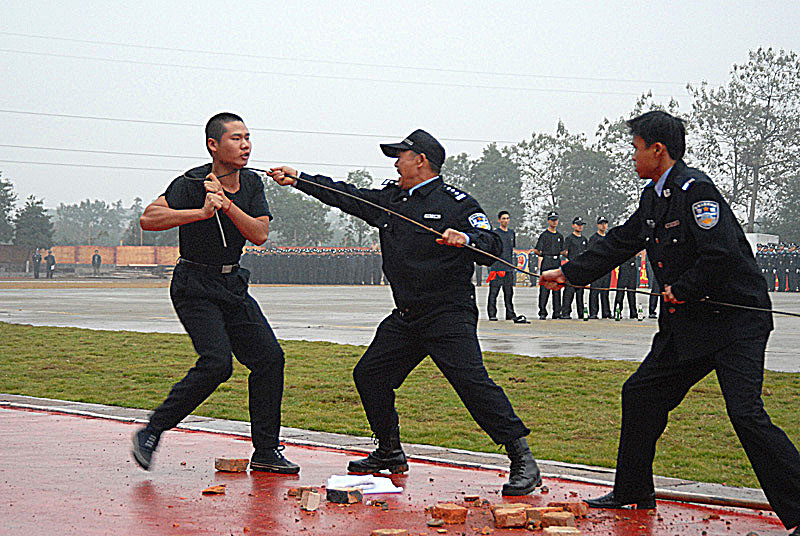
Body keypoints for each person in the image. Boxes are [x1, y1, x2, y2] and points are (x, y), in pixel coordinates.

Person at [539, 110, 800, 535]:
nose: (632, 157)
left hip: (734, 323)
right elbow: (621, 241)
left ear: (658, 150)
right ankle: (632, 490)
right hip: (689, 325)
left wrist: (685, 286)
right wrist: (569, 274)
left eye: (636, 148)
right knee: (640, 394)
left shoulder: (697, 192)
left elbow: (722, 255)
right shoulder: (654, 197)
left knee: (746, 414)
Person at [269, 129, 541, 496]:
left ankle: (523, 459)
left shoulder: (457, 203)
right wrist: (300, 180)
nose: (396, 163)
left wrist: (468, 240)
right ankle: (389, 451)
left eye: (401, 156)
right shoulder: (391, 199)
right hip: (408, 315)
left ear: (421, 161)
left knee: (472, 385)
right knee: (370, 375)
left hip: (448, 313)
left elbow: (494, 245)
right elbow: (347, 195)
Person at [132, 112, 298, 476]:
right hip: (194, 284)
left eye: (248, 138)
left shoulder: (253, 184)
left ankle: (267, 451)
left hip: (232, 284)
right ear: (213, 144)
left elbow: (259, 234)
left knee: (270, 358)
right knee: (217, 363)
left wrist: (227, 204)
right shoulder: (191, 182)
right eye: (236, 138)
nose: (246, 145)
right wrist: (201, 212)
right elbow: (149, 219)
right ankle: (152, 431)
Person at [487, 210, 527, 323]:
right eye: (503, 218)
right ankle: (492, 314)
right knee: (494, 293)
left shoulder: (511, 233)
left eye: (507, 218)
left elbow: (511, 249)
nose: (505, 220)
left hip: (509, 267)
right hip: (497, 268)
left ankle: (510, 313)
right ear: (499, 220)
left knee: (509, 293)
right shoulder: (495, 234)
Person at [534, 212, 566, 319]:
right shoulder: (544, 235)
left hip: (556, 262)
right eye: (552, 220)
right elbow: (537, 250)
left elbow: (562, 250)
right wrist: (545, 254)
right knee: (545, 289)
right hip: (547, 262)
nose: (554, 222)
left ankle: (557, 312)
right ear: (548, 221)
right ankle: (542, 311)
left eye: (556, 220)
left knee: (557, 288)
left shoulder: (560, 236)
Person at [560, 217, 588, 319]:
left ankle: (581, 313)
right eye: (578, 224)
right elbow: (564, 252)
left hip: (581, 269)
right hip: (572, 267)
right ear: (573, 225)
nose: (580, 226)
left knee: (580, 293)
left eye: (581, 225)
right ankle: (565, 313)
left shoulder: (584, 239)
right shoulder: (569, 238)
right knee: (569, 292)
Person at [588, 217, 612, 319]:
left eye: (605, 223)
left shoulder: (609, 237)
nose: (604, 226)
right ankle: (593, 312)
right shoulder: (594, 238)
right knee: (594, 291)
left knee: (605, 291)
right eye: (601, 224)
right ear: (598, 225)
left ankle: (606, 312)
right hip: (596, 267)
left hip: (607, 267)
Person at [613, 254, 639, 319]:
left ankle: (633, 312)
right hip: (624, 267)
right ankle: (617, 311)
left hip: (633, 267)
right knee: (620, 293)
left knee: (632, 293)